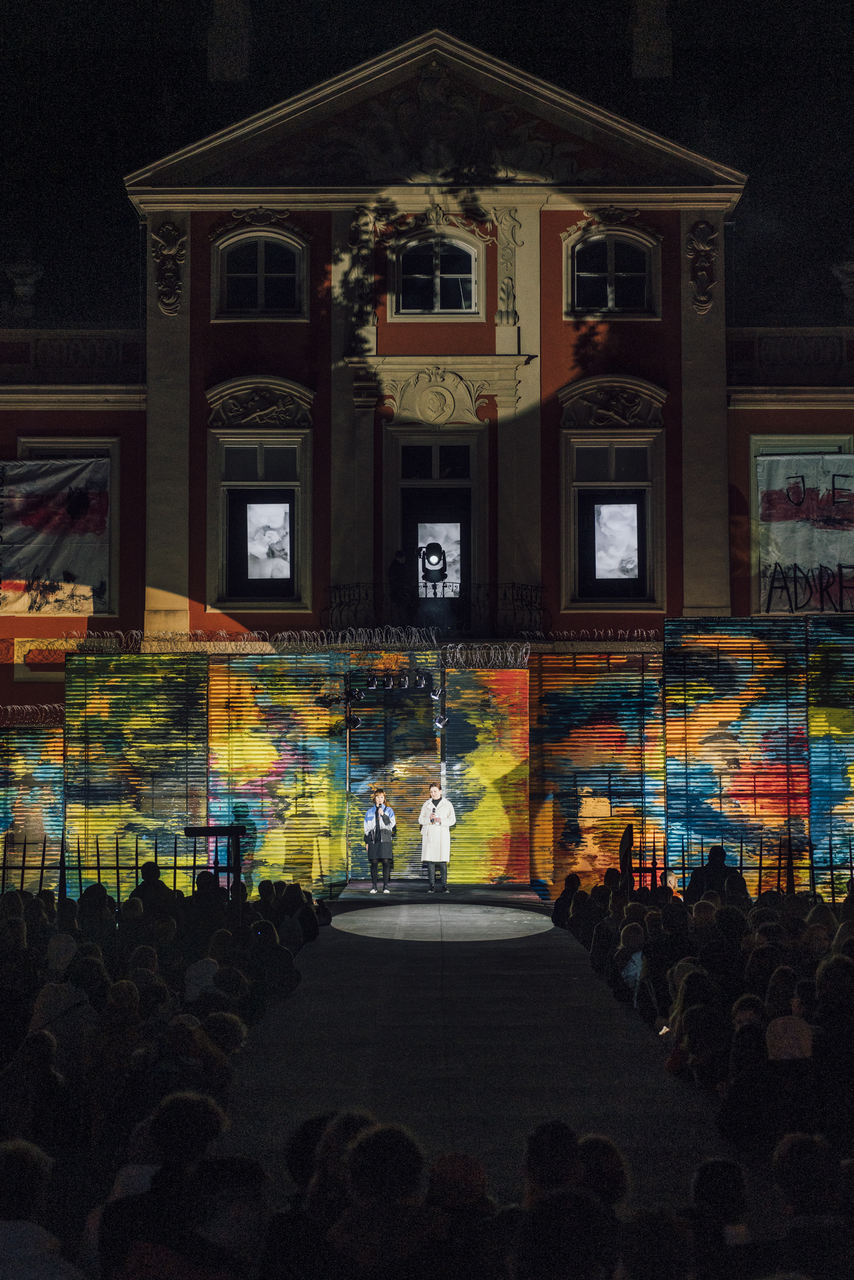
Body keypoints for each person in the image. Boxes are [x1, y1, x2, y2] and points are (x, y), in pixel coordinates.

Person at [419, 783, 456, 893]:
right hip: (430, 835)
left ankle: (444, 886)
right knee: (430, 862)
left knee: (442, 861)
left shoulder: (447, 804)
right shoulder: (426, 804)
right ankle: (431, 886)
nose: (433, 794)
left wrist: (441, 820)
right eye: (431, 792)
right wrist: (428, 819)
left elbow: (452, 820)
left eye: (435, 791)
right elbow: (420, 819)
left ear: (440, 791)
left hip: (442, 835)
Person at [364, 788, 396, 894]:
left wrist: (383, 815)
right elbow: (366, 829)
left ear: (384, 799)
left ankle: (386, 886)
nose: (379, 799)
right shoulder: (369, 812)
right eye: (377, 797)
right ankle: (374, 886)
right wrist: (367, 842)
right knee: (374, 862)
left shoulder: (389, 811)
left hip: (385, 838)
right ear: (374, 798)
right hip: (373, 839)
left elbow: (391, 826)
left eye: (381, 797)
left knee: (386, 861)